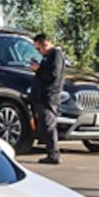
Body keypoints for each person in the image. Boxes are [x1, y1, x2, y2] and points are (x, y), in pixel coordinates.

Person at [29, 33, 66, 164]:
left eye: (39, 48)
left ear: (45, 44)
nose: (39, 51)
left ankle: (54, 154)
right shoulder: (48, 56)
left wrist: (39, 69)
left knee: (48, 125)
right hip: (42, 96)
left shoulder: (55, 55)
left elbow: (53, 75)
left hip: (49, 96)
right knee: (44, 125)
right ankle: (51, 152)